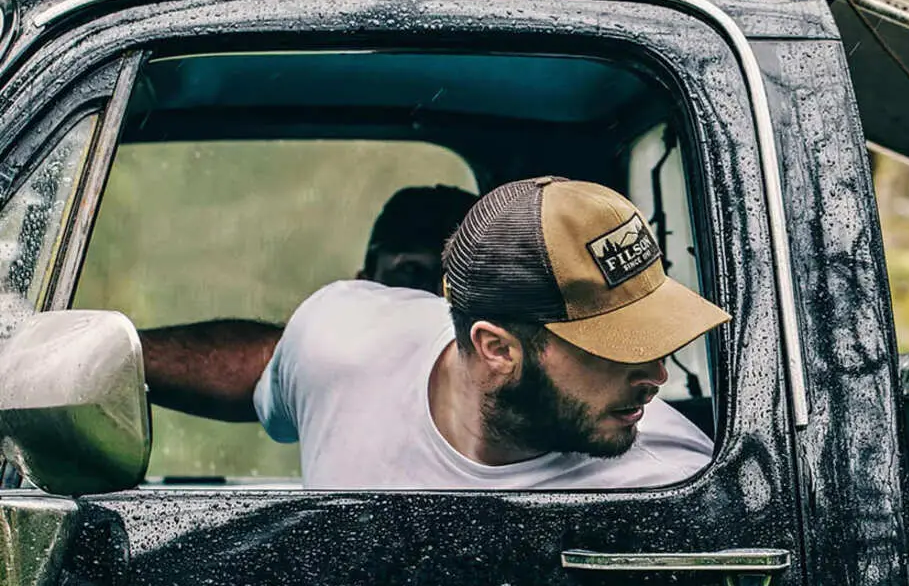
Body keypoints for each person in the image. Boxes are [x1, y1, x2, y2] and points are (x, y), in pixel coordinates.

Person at [252, 176, 731, 489]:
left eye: (657, 338)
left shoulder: (671, 481)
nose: (657, 374)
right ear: (497, 349)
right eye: (615, 348)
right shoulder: (334, 338)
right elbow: (273, 407)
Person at [140, 183, 476, 420]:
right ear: (363, 288)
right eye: (411, 276)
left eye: (463, 281)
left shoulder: (515, 370)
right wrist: (105, 356)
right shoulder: (328, 353)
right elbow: (276, 367)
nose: (437, 301)